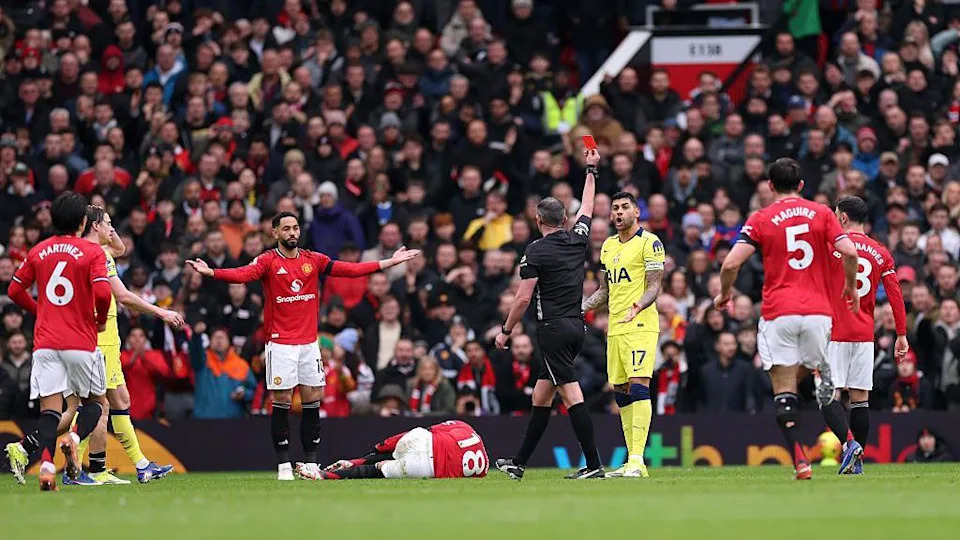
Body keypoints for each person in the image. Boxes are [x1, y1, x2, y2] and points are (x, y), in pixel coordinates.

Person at [186, 211, 420, 481]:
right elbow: (243, 274)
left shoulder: (313, 259)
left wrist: (387, 263)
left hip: (309, 344)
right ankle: (284, 464)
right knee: (283, 400)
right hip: (281, 343)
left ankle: (310, 462)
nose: (292, 233)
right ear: (275, 233)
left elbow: (349, 269)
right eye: (286, 229)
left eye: (295, 228)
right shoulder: (268, 261)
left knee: (312, 400)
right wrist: (211, 272)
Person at [8, 206, 184, 486]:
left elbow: (121, 248)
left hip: (83, 337)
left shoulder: (83, 251)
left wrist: (107, 228)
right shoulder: (95, 255)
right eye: (108, 224)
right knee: (103, 405)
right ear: (92, 226)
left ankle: (33, 450)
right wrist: (161, 313)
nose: (113, 229)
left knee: (80, 407)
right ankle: (113, 463)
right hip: (98, 338)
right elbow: (121, 296)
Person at [714, 158, 860, 481]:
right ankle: (839, 422)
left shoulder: (761, 218)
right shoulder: (822, 213)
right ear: (802, 186)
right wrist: (850, 287)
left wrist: (724, 295)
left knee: (783, 389)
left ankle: (801, 462)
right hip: (819, 313)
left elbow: (730, 265)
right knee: (809, 377)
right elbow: (850, 252)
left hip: (779, 312)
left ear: (769, 186)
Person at [493, 147, 603, 481]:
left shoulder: (535, 250)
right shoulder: (577, 239)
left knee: (571, 395)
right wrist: (590, 169)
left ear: (538, 221)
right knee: (542, 396)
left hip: (552, 329)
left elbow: (523, 298)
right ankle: (519, 463)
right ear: (565, 220)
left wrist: (506, 331)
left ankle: (595, 465)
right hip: (576, 326)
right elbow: (587, 205)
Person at [4, 191, 112, 491]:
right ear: (82, 221)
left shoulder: (38, 250)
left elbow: (14, 291)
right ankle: (74, 439)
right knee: (96, 404)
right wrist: (100, 320)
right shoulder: (92, 253)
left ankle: (48, 469)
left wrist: (40, 310)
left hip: (46, 344)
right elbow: (103, 294)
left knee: (50, 412)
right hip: (80, 340)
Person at [581, 190, 665, 478]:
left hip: (640, 324)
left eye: (624, 207)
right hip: (615, 328)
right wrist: (582, 307)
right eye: (615, 208)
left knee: (639, 384)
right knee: (621, 391)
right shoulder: (607, 246)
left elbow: (655, 285)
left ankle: (639, 460)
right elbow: (605, 290)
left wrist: (638, 305)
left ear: (636, 212)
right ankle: (631, 460)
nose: (618, 213)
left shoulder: (650, 243)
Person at [828, 196, 909, 475]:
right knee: (860, 398)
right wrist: (901, 334)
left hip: (835, 329)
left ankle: (849, 445)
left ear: (843, 218)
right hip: (864, 332)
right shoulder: (880, 251)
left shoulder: (833, 246)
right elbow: (895, 295)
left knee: (827, 393)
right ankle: (857, 463)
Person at [297, 419, 487, 480]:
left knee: (395, 449)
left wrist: (379, 446)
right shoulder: (485, 465)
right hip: (428, 470)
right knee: (378, 469)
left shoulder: (462, 425)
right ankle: (325, 476)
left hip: (422, 444)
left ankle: (355, 461)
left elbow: (426, 432)